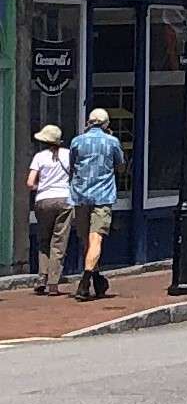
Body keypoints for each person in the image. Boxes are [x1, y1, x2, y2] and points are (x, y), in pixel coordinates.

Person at [66, 107, 126, 302]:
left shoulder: (77, 141)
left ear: (88, 123)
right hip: (102, 196)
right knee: (96, 240)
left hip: (80, 196)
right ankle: (85, 282)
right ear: (106, 124)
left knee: (86, 241)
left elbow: (72, 165)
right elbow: (121, 165)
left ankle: (97, 279)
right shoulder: (112, 142)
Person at [25, 125, 72, 296]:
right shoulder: (68, 154)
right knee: (59, 242)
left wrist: (42, 187)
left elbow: (30, 183)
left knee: (44, 240)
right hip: (65, 199)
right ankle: (53, 283)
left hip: (43, 200)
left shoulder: (39, 156)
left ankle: (41, 278)